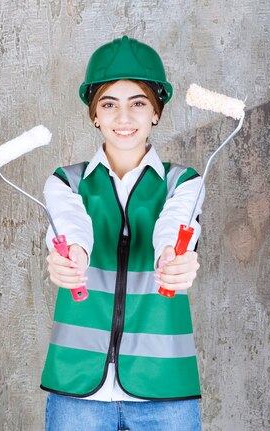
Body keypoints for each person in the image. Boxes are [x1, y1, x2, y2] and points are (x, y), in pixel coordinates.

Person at [41, 36, 205, 431]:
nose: (124, 118)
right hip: (77, 388)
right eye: (109, 104)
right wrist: (73, 253)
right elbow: (71, 224)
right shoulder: (65, 182)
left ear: (156, 113)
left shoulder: (184, 182)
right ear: (94, 114)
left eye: (138, 103)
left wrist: (171, 256)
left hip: (164, 389)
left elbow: (174, 223)